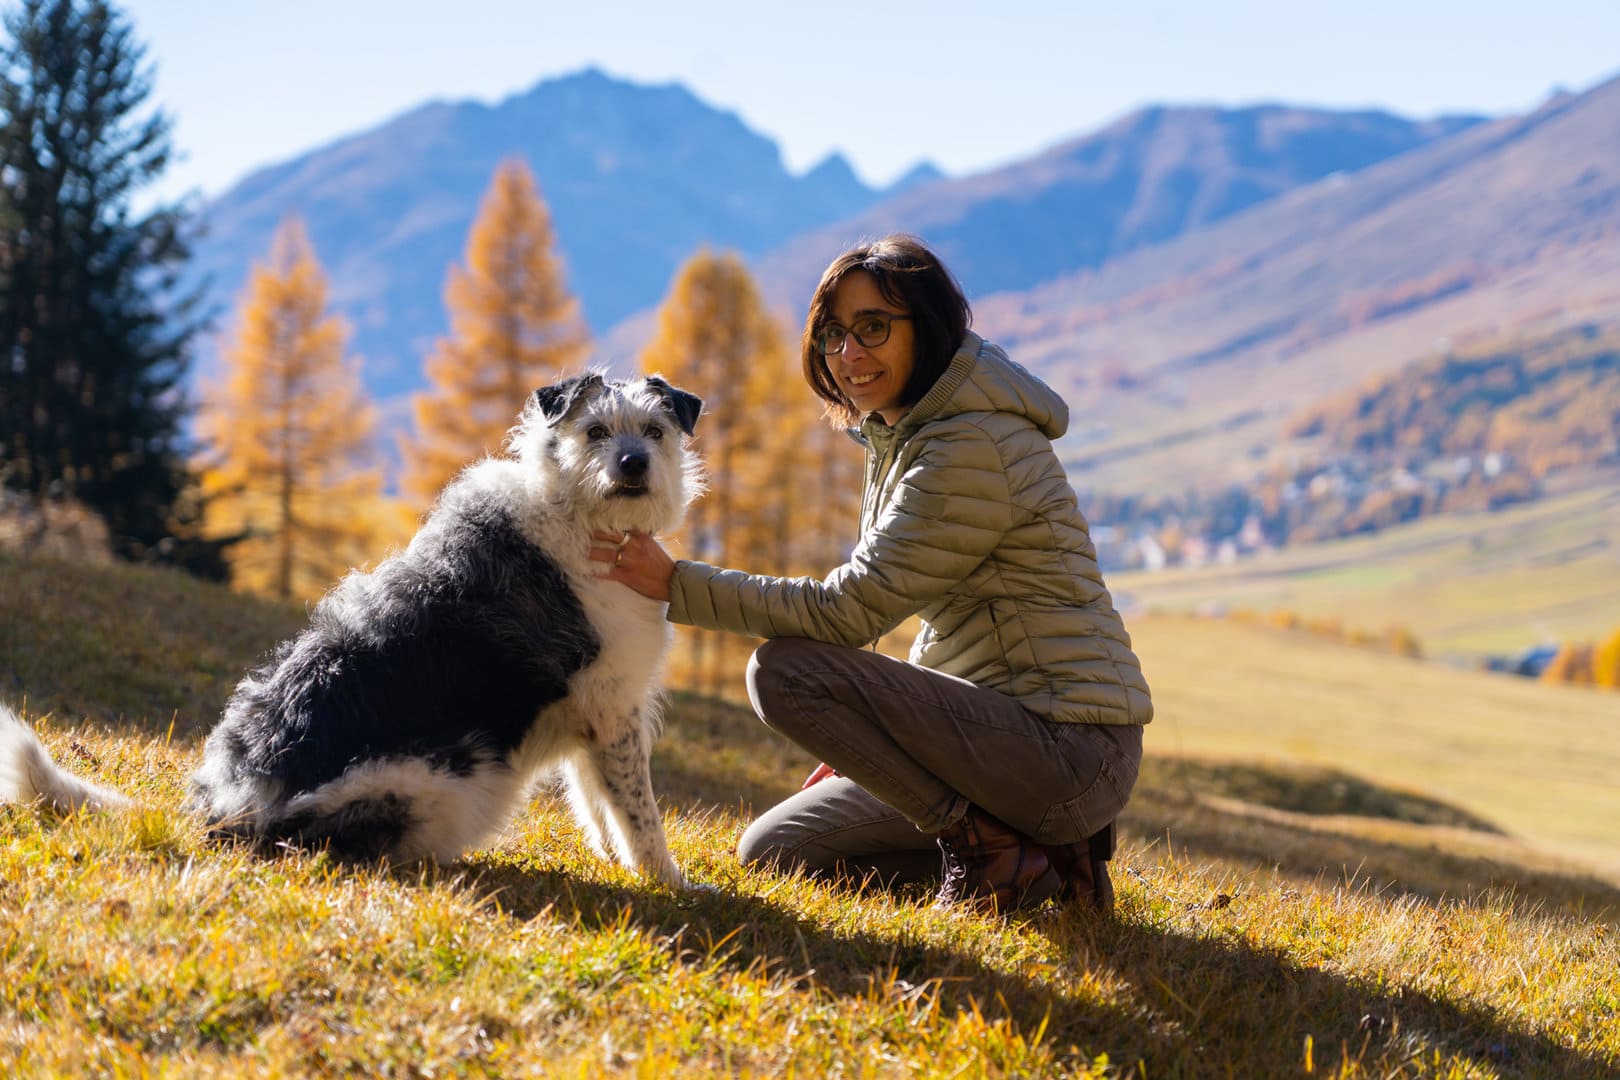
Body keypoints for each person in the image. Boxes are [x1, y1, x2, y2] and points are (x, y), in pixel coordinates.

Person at [592, 234, 1151, 914]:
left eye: (874, 328)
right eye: (832, 335)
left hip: (1065, 746)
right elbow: (952, 620)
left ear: (930, 327)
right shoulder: (913, 435)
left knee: (783, 672)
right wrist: (875, 741)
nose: (849, 354)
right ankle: (1052, 861)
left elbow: (848, 612)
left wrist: (676, 583)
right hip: (999, 737)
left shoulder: (969, 445)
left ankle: (992, 849)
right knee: (778, 852)